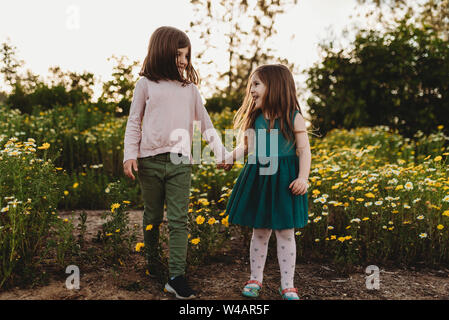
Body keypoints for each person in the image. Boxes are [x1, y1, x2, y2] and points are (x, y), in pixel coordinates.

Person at [123, 26, 229, 300]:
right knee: (153, 216)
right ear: (162, 52)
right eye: (179, 54)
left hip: (181, 161)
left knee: (179, 220)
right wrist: (129, 155)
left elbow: (206, 124)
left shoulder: (189, 89)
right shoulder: (145, 84)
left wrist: (220, 153)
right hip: (150, 161)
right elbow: (134, 121)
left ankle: (176, 277)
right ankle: (152, 265)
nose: (184, 60)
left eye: (187, 55)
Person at [218, 64, 311, 300]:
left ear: (276, 87)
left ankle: (287, 284)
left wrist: (303, 178)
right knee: (259, 232)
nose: (252, 90)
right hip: (259, 179)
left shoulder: (294, 117)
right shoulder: (256, 118)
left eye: (257, 84)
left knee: (285, 233)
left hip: (285, 182)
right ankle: (255, 279)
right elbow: (246, 146)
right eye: (252, 85)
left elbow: (305, 151)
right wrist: (230, 157)